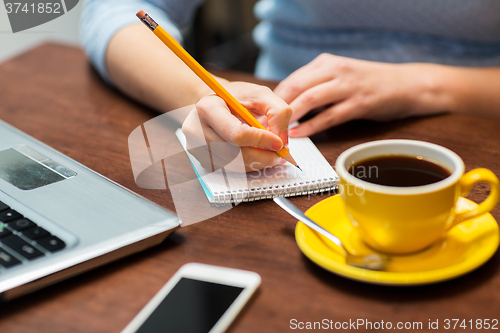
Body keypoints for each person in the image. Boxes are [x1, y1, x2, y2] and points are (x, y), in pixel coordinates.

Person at [81, 0, 500, 171]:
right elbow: (116, 10)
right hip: (284, 118)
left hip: (480, 125)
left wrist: (429, 84)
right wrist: (202, 97)